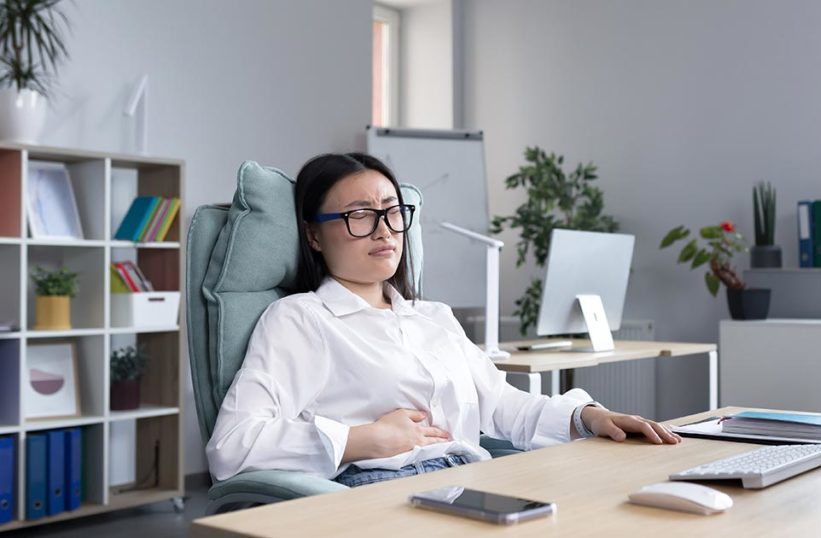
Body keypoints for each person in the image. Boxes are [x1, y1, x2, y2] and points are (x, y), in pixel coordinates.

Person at [206, 153, 680, 487]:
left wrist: (589, 416)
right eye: (359, 215)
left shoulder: (433, 318)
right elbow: (232, 445)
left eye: (393, 213)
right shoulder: (301, 319)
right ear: (313, 234)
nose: (384, 230)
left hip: (472, 478)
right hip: (382, 488)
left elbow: (501, 405)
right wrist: (363, 439)